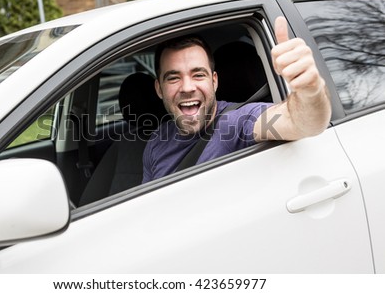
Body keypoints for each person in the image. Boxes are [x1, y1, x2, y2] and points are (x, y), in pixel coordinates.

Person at [142, 16, 331, 183]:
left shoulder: (236, 123)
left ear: (214, 81)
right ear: (159, 89)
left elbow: (302, 122)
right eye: (174, 78)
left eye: (198, 75)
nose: (187, 87)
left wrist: (311, 91)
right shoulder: (157, 141)